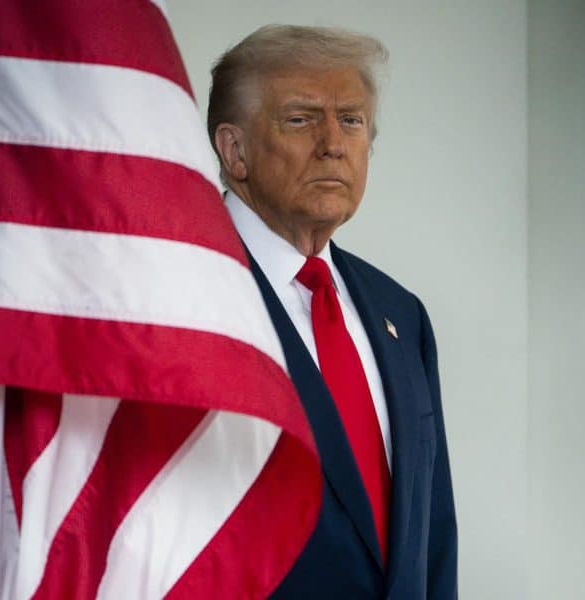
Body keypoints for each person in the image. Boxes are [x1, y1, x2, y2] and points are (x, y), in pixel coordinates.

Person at [207, 25, 457, 599]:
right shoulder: (185, 304)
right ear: (234, 149)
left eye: (351, 120)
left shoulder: (402, 315)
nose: (333, 142)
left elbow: (435, 534)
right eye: (300, 119)